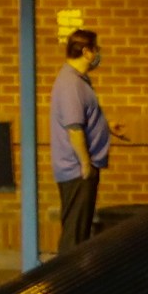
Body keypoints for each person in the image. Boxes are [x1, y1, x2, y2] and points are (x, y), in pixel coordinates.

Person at [50, 29, 111, 250]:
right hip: (77, 170)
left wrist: (107, 127)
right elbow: (74, 128)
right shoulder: (71, 84)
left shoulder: (78, 81)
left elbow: (83, 118)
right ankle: (66, 280)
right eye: (96, 49)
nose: (98, 54)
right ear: (86, 52)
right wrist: (86, 164)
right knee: (75, 236)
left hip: (78, 168)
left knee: (79, 231)